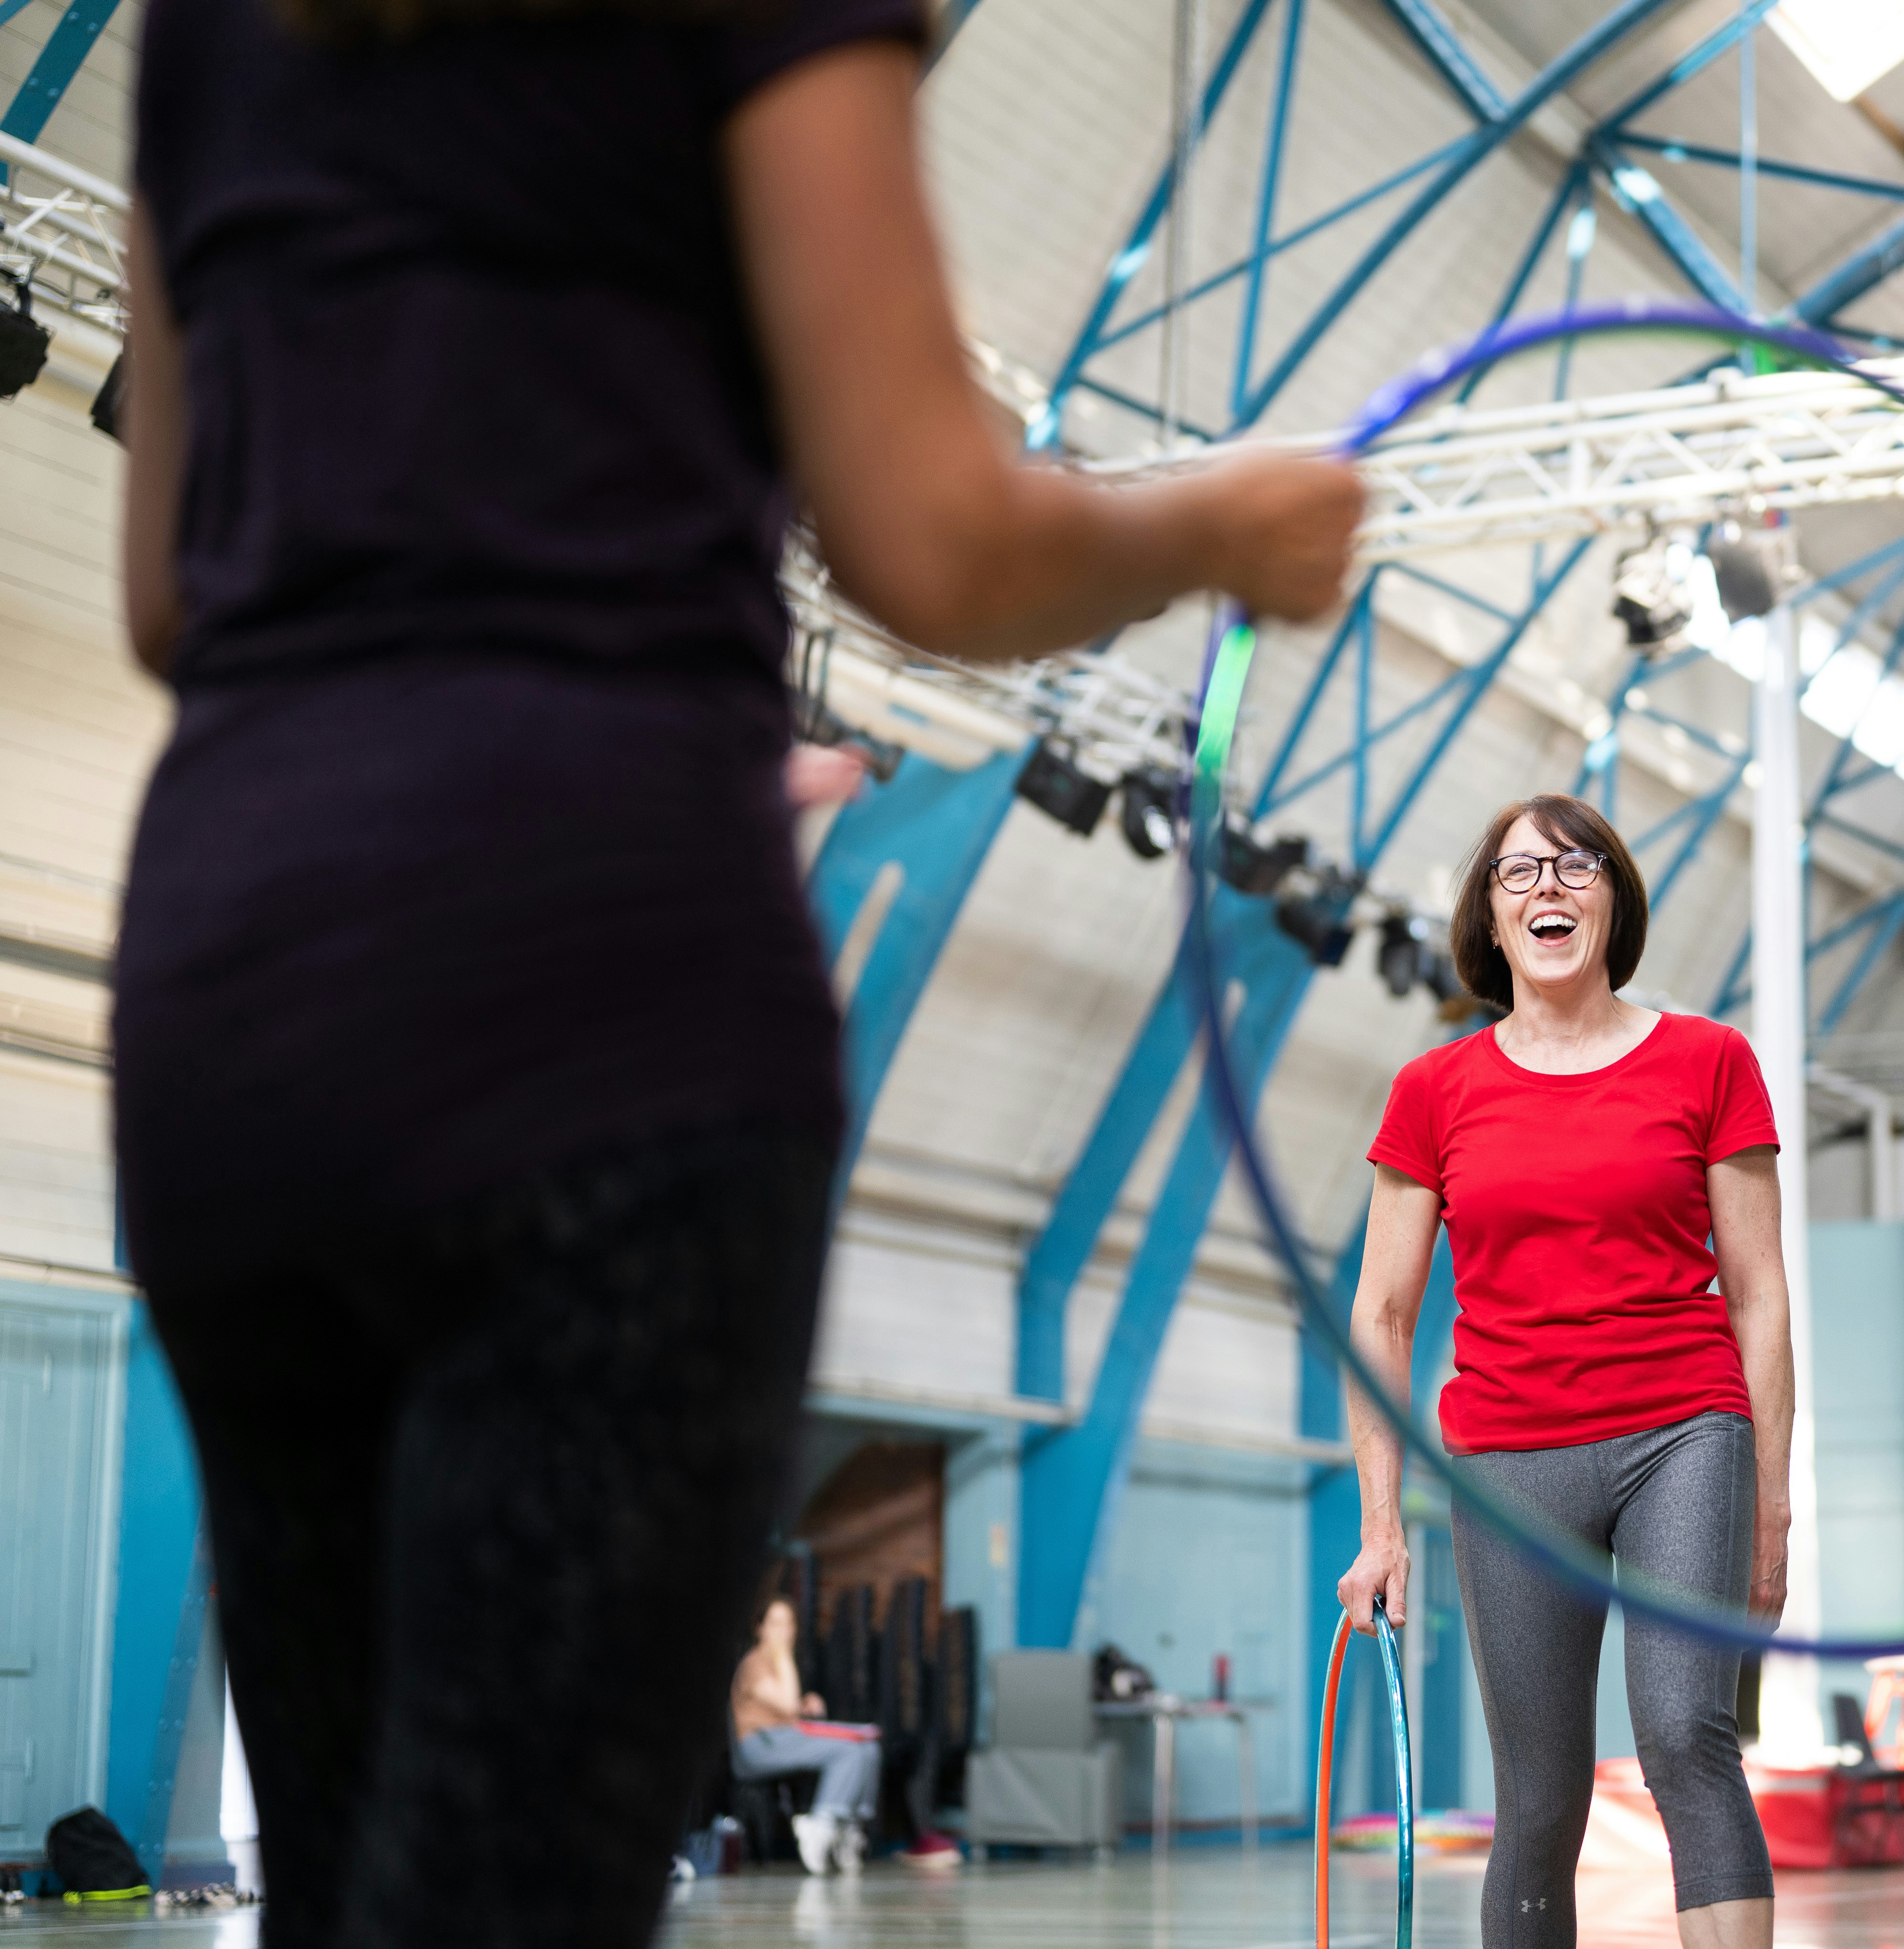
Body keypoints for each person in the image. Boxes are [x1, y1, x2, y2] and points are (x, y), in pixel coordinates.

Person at [114, 1, 1362, 1943]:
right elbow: (934, 541)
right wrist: (1228, 523)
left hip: (237, 997)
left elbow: (167, 595)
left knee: (347, 1870)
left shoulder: (205, 25)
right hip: (598, 1005)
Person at [1338, 795, 1795, 1949]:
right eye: (1518, 873)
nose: (1548, 886)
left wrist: (1772, 1512)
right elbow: (1382, 1315)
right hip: (1506, 1459)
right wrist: (1380, 1527)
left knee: (1686, 1736)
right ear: (1489, 920)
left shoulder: (1709, 1060)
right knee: (1538, 1798)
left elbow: (1758, 1294)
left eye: (1576, 864)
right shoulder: (1432, 1091)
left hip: (1681, 1432)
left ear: (1614, 899)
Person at [729, 1597, 880, 1876]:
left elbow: (786, 1708)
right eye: (775, 1623)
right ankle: (820, 1824)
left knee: (868, 1747)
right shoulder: (755, 1663)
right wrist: (783, 1655)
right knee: (850, 1750)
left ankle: (847, 1827)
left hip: (784, 1738)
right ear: (760, 1628)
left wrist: (805, 1705)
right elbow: (785, 1705)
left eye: (789, 1623)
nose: (784, 1630)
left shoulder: (776, 1663)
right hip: (759, 1747)